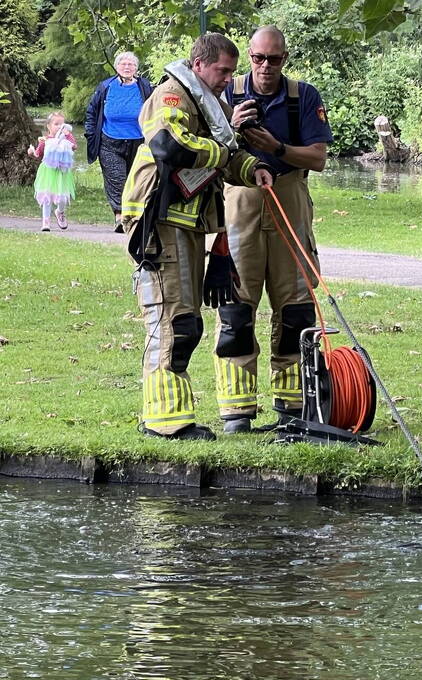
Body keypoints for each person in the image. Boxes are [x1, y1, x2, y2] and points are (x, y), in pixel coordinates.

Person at [121, 33, 274, 441]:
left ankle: (174, 418)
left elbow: (228, 153)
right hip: (158, 222)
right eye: (223, 70)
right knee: (174, 320)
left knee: (187, 321)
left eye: (230, 70)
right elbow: (171, 146)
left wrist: (252, 168)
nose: (228, 77)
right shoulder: (171, 96)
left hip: (187, 223)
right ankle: (165, 423)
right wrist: (225, 156)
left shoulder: (210, 104)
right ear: (198, 64)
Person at [214, 25, 333, 433]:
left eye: (275, 59)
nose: (266, 67)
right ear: (249, 56)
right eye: (259, 58)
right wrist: (231, 124)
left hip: (289, 197)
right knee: (235, 307)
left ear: (285, 58)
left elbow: (317, 159)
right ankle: (236, 411)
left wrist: (276, 147)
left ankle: (291, 406)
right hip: (240, 200)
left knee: (296, 308)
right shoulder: (226, 92)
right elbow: (197, 146)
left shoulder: (304, 97)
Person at [84, 51, 154, 233]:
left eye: (131, 64)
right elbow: (92, 112)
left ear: (136, 68)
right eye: (123, 64)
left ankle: (136, 217)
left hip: (138, 142)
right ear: (117, 67)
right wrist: (91, 134)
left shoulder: (145, 86)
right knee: (117, 180)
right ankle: (119, 217)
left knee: (136, 179)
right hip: (109, 142)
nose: (127, 67)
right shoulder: (105, 87)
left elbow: (155, 109)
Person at [26, 111, 76, 232]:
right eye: (56, 124)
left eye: (62, 124)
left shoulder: (66, 138)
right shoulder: (45, 141)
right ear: (49, 126)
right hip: (48, 172)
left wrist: (68, 135)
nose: (59, 127)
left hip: (62, 173)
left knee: (62, 198)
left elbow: (74, 146)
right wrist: (32, 152)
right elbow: (38, 154)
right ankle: (46, 222)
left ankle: (60, 211)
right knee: (47, 197)